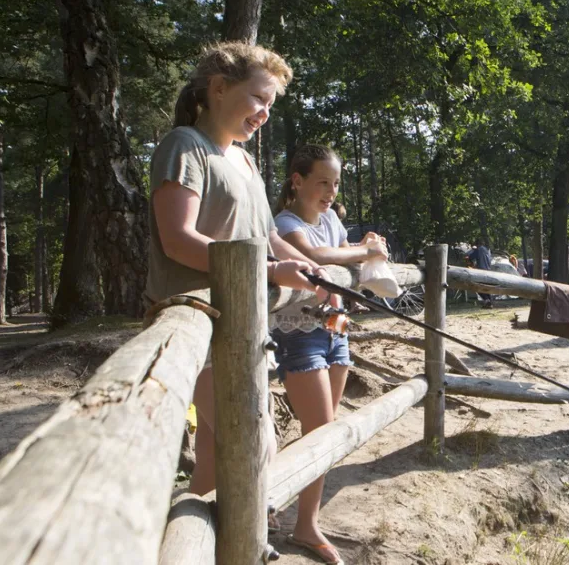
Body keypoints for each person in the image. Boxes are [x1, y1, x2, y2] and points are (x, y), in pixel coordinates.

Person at [146, 42, 328, 504]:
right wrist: (272, 271)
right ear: (219, 88)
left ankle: (199, 540)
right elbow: (177, 239)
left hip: (243, 324)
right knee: (255, 444)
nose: (264, 112)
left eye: (271, 104)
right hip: (199, 323)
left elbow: (268, 236)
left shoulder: (244, 161)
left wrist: (315, 274)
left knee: (215, 456)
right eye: (258, 98)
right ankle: (243, 535)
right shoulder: (184, 146)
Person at [269, 144, 388, 563]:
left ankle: (289, 509)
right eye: (322, 182)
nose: (331, 191)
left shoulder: (331, 221)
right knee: (320, 431)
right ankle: (303, 524)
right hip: (299, 333)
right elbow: (316, 256)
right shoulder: (285, 223)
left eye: (335, 183)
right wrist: (367, 252)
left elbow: (339, 251)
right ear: (297, 181)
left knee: (323, 429)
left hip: (336, 331)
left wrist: (364, 243)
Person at [467, 239, 494, 308]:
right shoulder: (487, 250)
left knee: (477, 287)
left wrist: (472, 250)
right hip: (488, 270)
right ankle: (490, 302)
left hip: (481, 271)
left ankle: (486, 300)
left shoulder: (478, 249)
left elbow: (470, 257)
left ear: (477, 244)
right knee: (486, 287)